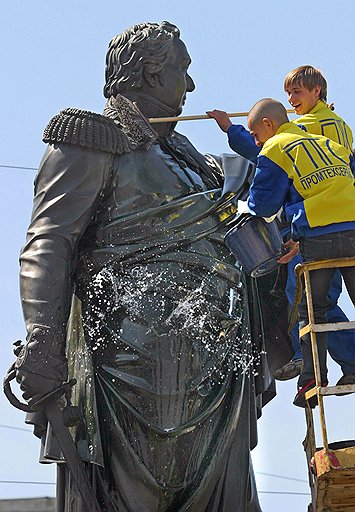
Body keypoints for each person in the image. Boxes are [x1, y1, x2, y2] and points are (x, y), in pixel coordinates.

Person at [11, 22, 292, 512]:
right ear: (147, 72)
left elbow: (237, 235)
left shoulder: (195, 161)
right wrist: (41, 344)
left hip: (216, 364)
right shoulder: (91, 140)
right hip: (130, 364)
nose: (191, 86)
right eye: (183, 71)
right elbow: (48, 244)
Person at [207, 65, 355, 386]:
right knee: (321, 303)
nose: (290, 98)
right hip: (348, 221)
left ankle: (310, 366)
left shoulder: (300, 131)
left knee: (305, 300)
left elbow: (265, 156)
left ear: (318, 92)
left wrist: (232, 131)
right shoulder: (338, 129)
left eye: (297, 92)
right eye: (288, 93)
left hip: (320, 226)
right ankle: (337, 362)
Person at [244, 98, 355, 408]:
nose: (256, 142)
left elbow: (263, 206)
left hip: (321, 234)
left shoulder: (276, 148)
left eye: (255, 135)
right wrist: (298, 236)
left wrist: (248, 211)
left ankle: (312, 377)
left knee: (312, 308)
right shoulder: (328, 143)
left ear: (268, 125)